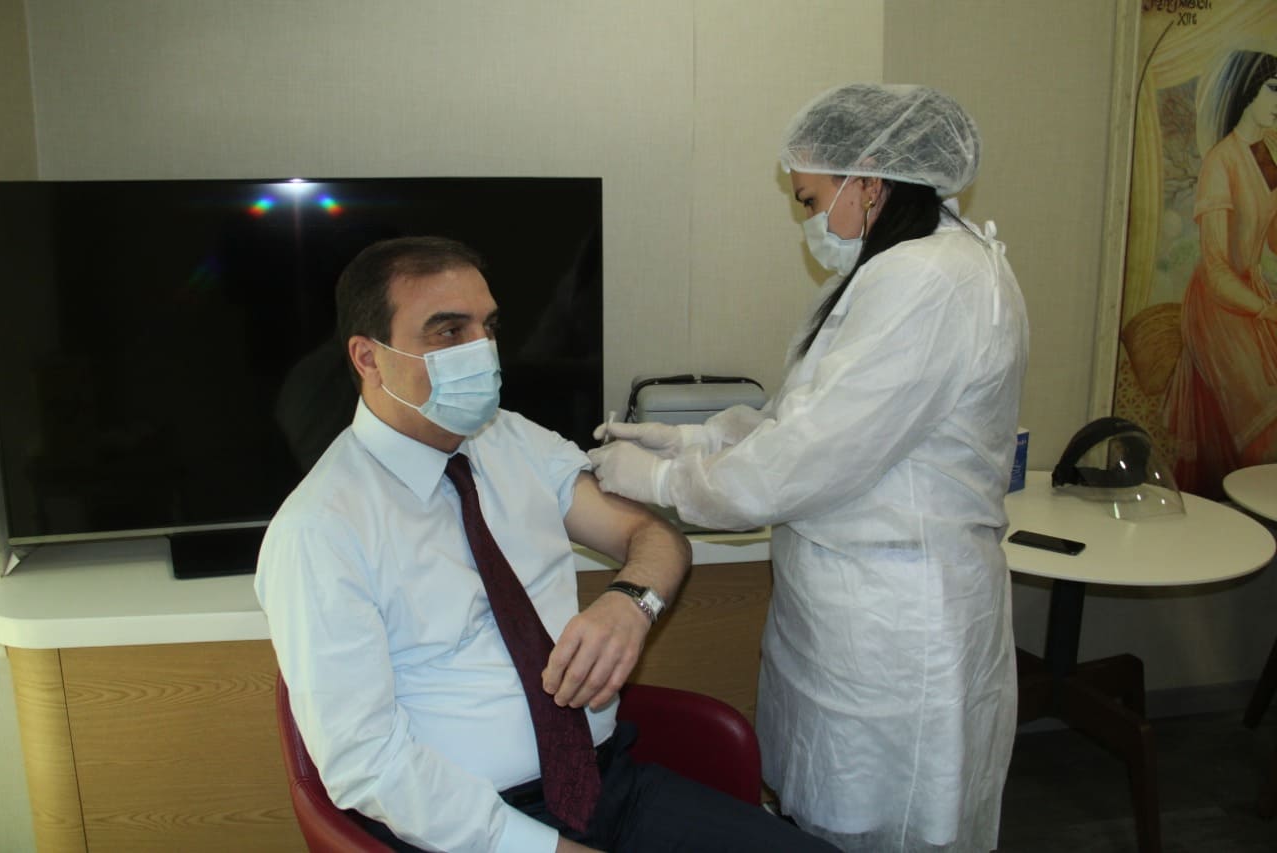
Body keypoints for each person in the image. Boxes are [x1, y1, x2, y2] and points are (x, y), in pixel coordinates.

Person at [255, 235, 838, 853]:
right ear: (369, 358)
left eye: (487, 327)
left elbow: (653, 537)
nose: (481, 351)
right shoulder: (320, 530)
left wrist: (631, 604)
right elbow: (367, 763)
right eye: (449, 332)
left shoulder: (511, 441)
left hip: (607, 785)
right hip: (470, 829)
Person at [589, 83, 1029, 852]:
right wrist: (692, 441)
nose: (809, 220)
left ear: (870, 180)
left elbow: (801, 461)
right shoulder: (903, 268)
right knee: (827, 817)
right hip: (853, 607)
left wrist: (659, 482)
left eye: (810, 199)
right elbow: (806, 418)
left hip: (895, 624)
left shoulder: (929, 281)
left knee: (882, 827)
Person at [1161, 49, 1277, 499]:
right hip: (1218, 304)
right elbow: (1215, 268)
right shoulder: (1221, 162)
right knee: (1262, 434)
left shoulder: (1268, 154)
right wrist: (1265, 309)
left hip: (1253, 295)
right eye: (1274, 89)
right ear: (1248, 91)